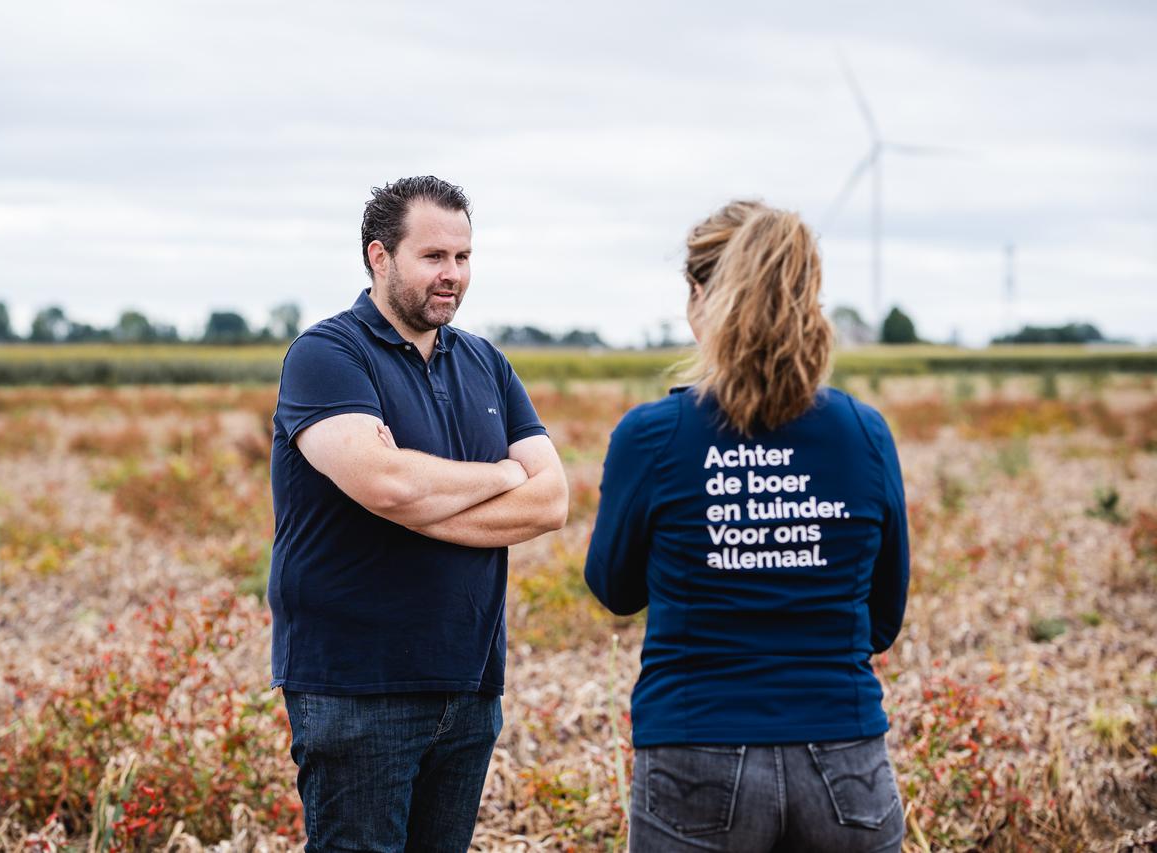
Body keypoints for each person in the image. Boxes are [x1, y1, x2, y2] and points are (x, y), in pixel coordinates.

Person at [584, 200, 910, 852]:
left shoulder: (653, 436)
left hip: (694, 749)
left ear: (702, 297)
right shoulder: (864, 433)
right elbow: (882, 617)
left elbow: (615, 588)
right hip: (846, 758)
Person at [268, 175, 569, 852]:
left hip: (467, 685)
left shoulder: (485, 362)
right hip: (356, 689)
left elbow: (551, 500)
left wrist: (418, 496)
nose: (453, 275)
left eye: (463, 257)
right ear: (380, 257)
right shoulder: (326, 355)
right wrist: (497, 476)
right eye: (434, 257)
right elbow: (388, 486)